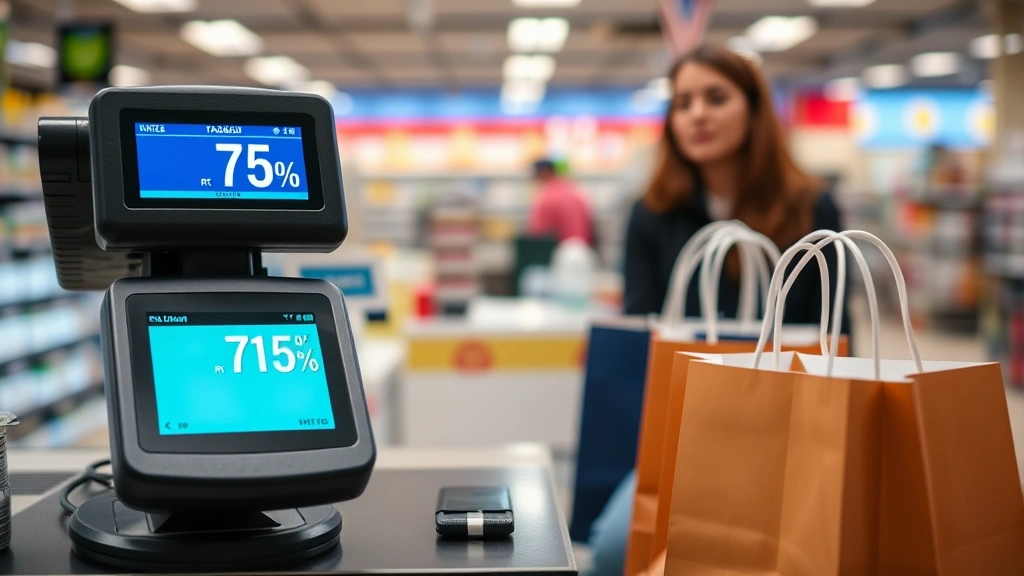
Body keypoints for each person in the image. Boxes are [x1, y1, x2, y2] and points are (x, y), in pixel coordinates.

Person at [584, 44, 849, 576]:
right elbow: (643, 331)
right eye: (682, 102)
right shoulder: (652, 212)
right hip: (683, 433)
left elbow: (835, 336)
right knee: (614, 551)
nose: (697, 114)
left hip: (791, 430)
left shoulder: (811, 208)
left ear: (753, 112)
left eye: (715, 97)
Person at [526, 159, 593, 245]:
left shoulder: (546, 198)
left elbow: (538, 233)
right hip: (582, 248)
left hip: (560, 250)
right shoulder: (575, 191)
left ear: (544, 173)